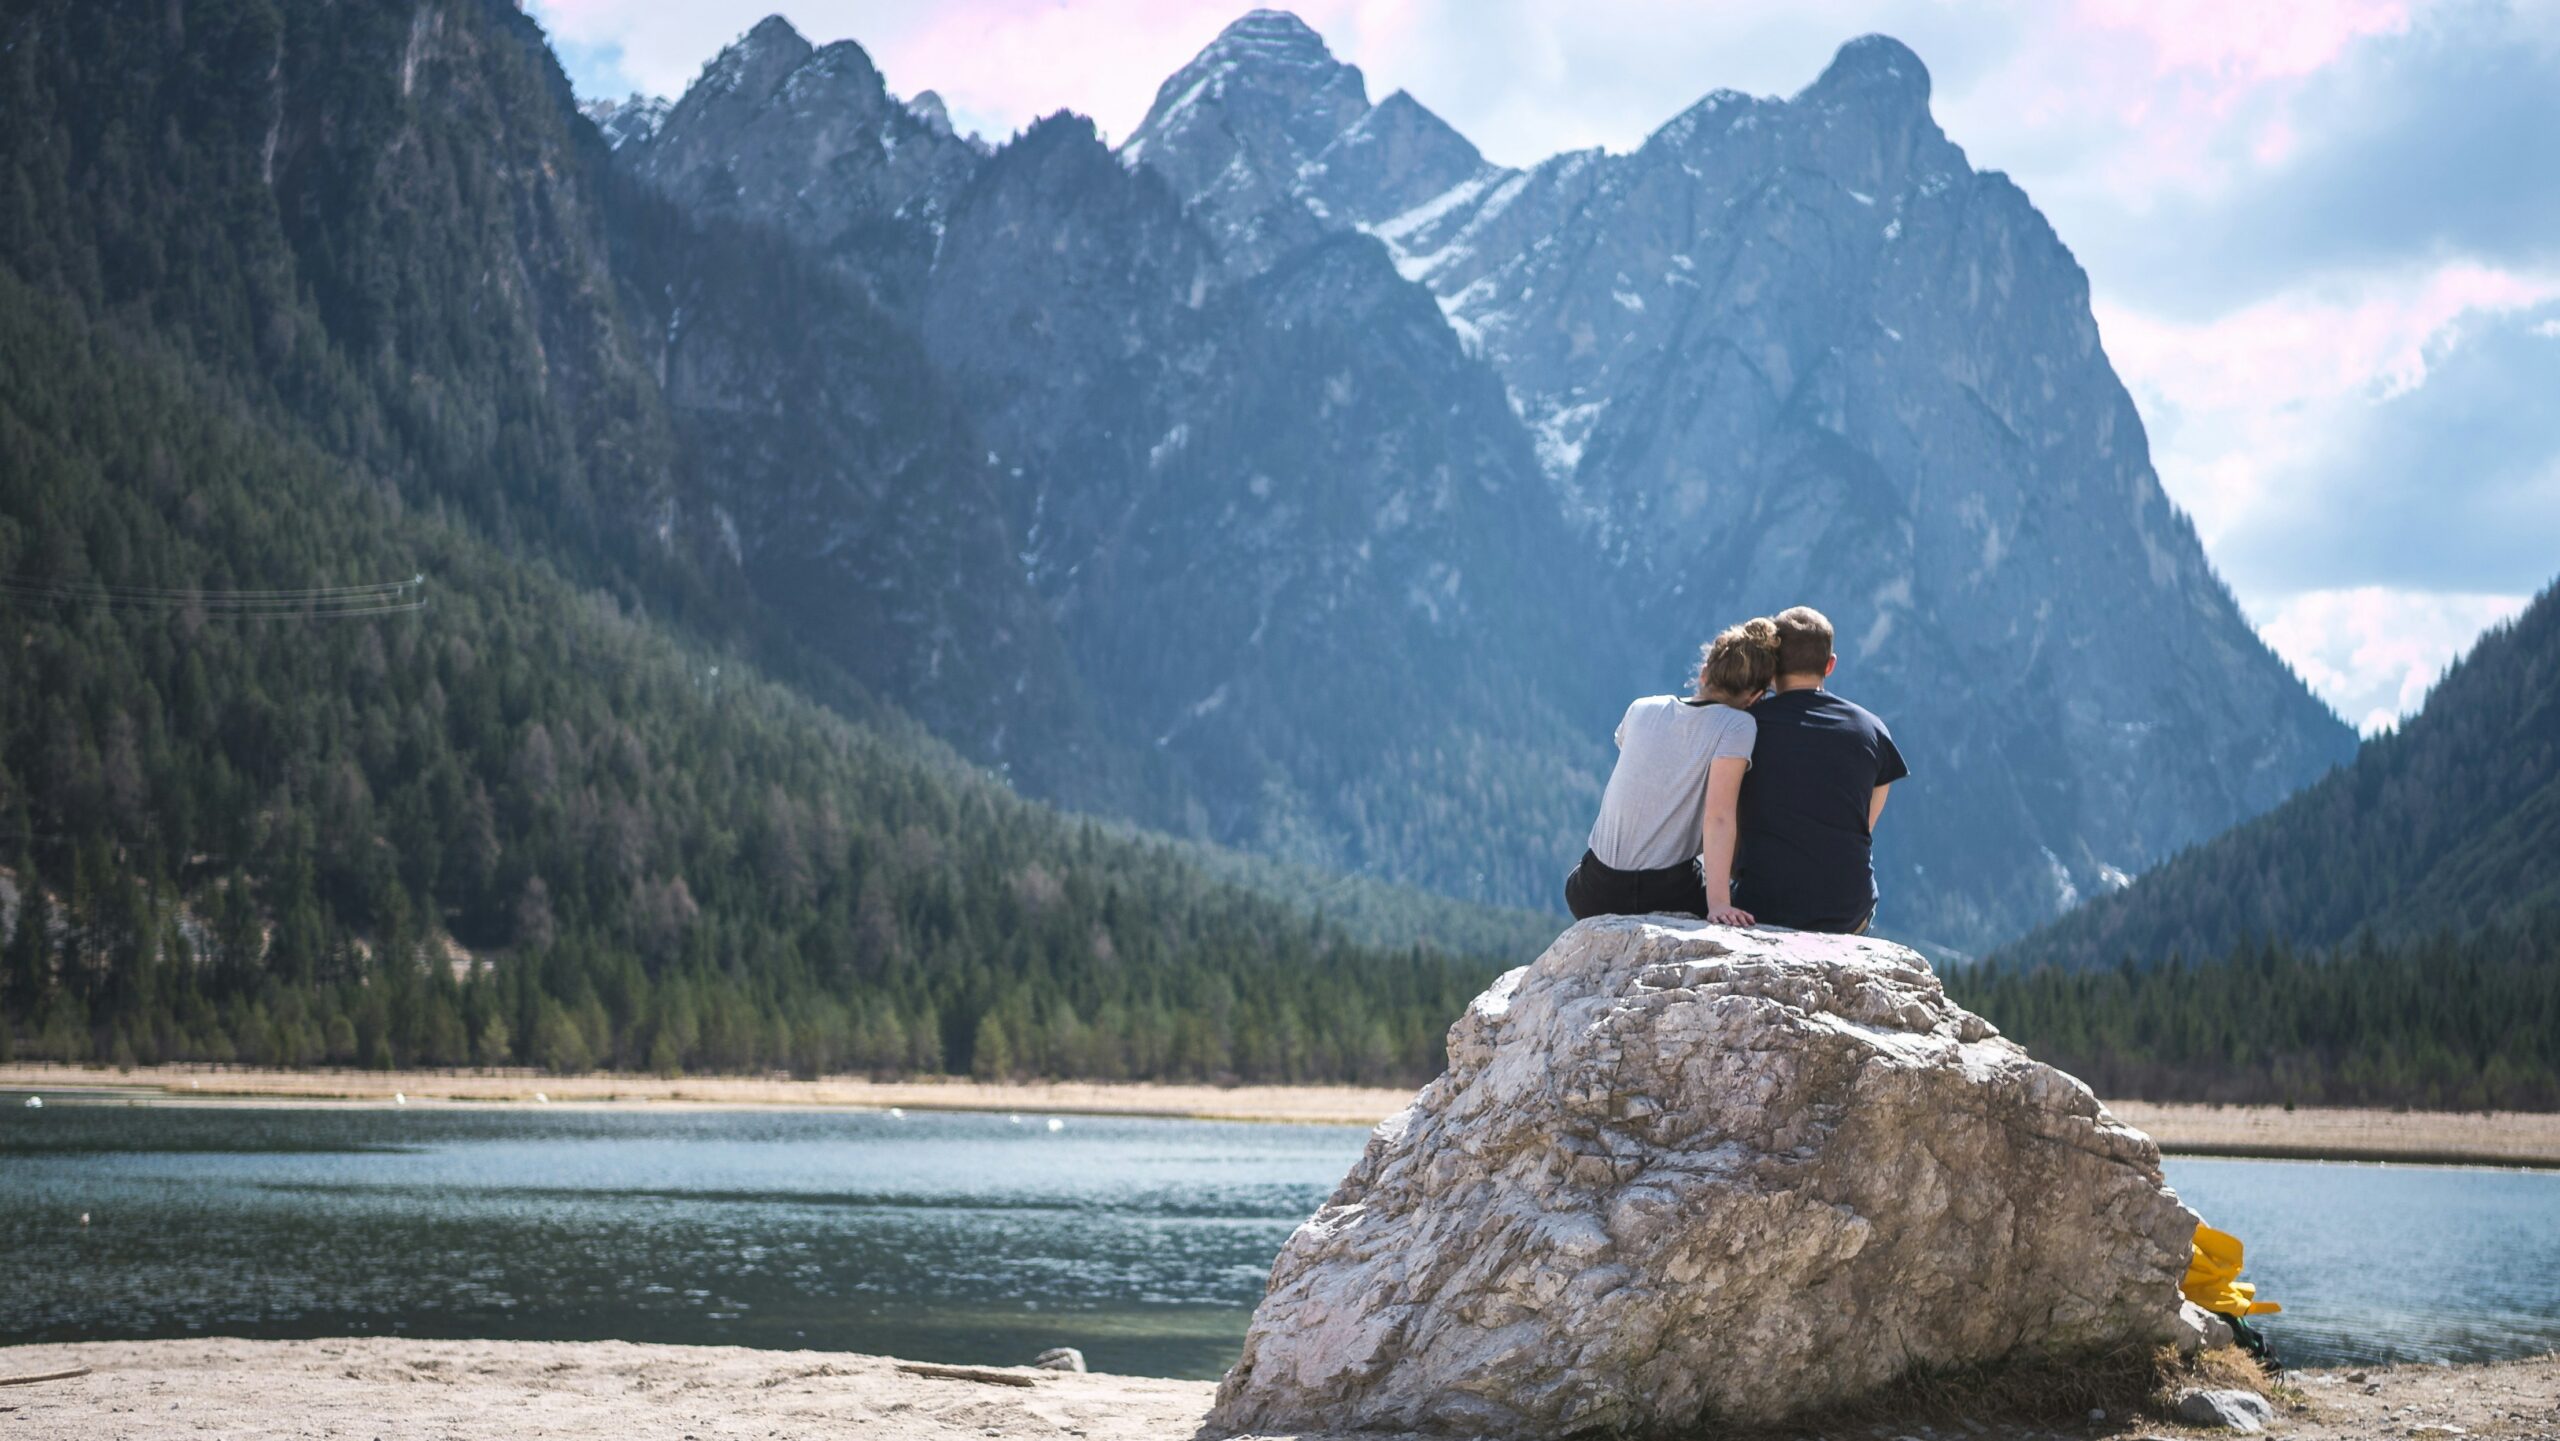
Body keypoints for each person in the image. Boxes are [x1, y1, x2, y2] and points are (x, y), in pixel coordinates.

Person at [1565, 619, 1780, 923]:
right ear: (1755, 698)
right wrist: (1718, 904)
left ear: (1705, 673)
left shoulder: (1641, 708)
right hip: (1666, 892)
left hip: (1592, 891)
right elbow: (1719, 816)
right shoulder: (1737, 725)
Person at [1730, 606, 1909, 933]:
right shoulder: (1872, 730)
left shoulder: (1744, 728)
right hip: (1847, 912)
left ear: (1773, 665)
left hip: (1762, 907)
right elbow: (1863, 824)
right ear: (1830, 665)